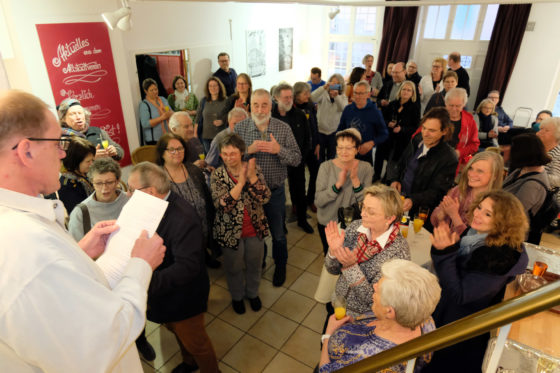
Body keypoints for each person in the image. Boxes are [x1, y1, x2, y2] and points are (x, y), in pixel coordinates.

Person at [0, 90, 165, 372]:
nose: (63, 154)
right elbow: (106, 340)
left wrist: (77, 253)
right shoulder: (27, 248)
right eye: (57, 143)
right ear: (27, 151)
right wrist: (140, 265)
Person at [127, 162, 219, 373]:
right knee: (178, 333)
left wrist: (144, 279)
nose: (128, 194)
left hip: (184, 298)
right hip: (167, 295)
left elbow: (187, 268)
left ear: (149, 191)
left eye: (131, 189)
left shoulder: (183, 218)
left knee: (197, 343)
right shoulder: (153, 207)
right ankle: (189, 362)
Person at [426, 190, 529, 373]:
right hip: (449, 319)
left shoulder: (498, 258)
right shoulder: (478, 238)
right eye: (479, 207)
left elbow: (461, 295)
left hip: (457, 333)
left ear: (503, 223)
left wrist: (445, 253)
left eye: (487, 214)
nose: (477, 214)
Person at [319, 259, 441, 373]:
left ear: (390, 312)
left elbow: (325, 371)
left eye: (379, 289)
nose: (374, 286)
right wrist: (355, 324)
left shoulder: (370, 359)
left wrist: (328, 334)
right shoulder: (424, 318)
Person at [234, 89, 301, 286]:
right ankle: (259, 262)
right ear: (249, 106)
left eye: (264, 105)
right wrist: (248, 150)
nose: (260, 109)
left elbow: (297, 159)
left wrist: (278, 150)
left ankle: (280, 266)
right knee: (256, 234)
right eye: (256, 105)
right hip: (250, 194)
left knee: (278, 234)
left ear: (271, 106)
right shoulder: (240, 128)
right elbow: (230, 159)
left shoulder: (283, 128)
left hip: (275, 192)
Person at [323, 184, 411, 335]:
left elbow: (377, 302)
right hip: (338, 305)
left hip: (362, 321)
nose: (362, 214)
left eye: (371, 212)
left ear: (389, 218)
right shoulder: (355, 228)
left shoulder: (400, 253)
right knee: (325, 344)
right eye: (363, 207)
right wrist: (333, 251)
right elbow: (332, 269)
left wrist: (351, 268)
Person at [210, 133, 271, 314]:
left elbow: (265, 197)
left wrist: (252, 178)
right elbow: (223, 205)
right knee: (234, 268)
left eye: (233, 153)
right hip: (229, 232)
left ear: (242, 152)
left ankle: (252, 293)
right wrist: (241, 183)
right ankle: (237, 296)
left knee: (254, 265)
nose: (229, 158)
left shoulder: (254, 169)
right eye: (225, 154)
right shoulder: (218, 175)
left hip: (254, 229)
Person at [155, 133, 220, 268]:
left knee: (201, 246)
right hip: (180, 231)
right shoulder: (157, 178)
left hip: (202, 223)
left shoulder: (193, 169)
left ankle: (205, 255)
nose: (177, 152)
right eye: (172, 149)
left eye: (180, 148)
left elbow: (206, 196)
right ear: (162, 153)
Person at [387, 107, 458, 221]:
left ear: (444, 131)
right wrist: (395, 179)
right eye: (424, 128)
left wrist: (413, 200)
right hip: (399, 199)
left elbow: (437, 192)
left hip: (419, 212)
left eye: (432, 130)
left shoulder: (449, 158)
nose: (425, 133)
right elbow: (400, 163)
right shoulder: (417, 139)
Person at [315, 129, 373, 254]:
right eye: (340, 147)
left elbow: (366, 205)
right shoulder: (325, 167)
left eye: (348, 148)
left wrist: (355, 180)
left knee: (351, 257)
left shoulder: (366, 168)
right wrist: (338, 185)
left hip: (354, 226)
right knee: (330, 257)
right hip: (328, 224)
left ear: (357, 149)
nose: (343, 152)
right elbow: (318, 201)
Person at [272, 83, 314, 233]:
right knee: (279, 196)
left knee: (299, 192)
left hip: (296, 161)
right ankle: (281, 224)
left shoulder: (299, 114)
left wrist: (300, 158)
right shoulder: (270, 116)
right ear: (276, 98)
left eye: (291, 97)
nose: (289, 100)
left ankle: (302, 220)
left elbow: (307, 138)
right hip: (276, 163)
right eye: (286, 97)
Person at [431, 151, 504, 235]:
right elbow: (434, 221)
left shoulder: (495, 204)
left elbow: (472, 239)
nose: (471, 174)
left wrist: (454, 215)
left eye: (480, 171)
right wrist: (442, 214)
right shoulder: (458, 190)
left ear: (494, 176)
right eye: (471, 168)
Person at [503, 133, 552, 244]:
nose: (509, 150)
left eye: (513, 147)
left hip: (509, 235)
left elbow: (513, 214)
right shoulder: (523, 168)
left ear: (523, 153)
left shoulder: (533, 185)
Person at [68, 158, 128, 241]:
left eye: (109, 182)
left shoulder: (131, 201)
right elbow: (76, 249)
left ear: (118, 181)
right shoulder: (80, 213)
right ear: (92, 182)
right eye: (99, 183)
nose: (104, 189)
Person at [377, 80, 420, 182]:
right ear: (400, 91)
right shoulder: (393, 104)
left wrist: (402, 129)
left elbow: (415, 127)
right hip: (388, 137)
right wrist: (388, 123)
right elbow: (382, 118)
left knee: (394, 161)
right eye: (404, 89)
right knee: (382, 156)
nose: (405, 92)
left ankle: (388, 179)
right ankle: (379, 175)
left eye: (409, 90)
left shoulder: (414, 108)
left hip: (402, 140)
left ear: (412, 93)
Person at [337, 81, 388, 165]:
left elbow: (384, 134)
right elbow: (340, 130)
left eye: (361, 93)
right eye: (355, 93)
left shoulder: (375, 112)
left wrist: (371, 143)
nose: (357, 96)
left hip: (364, 155)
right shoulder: (348, 109)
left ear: (368, 94)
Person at [58, 98, 124, 160]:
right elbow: (65, 167)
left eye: (80, 113)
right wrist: (91, 158)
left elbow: (120, 153)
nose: (78, 117)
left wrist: (115, 151)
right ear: (63, 119)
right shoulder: (62, 139)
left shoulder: (97, 131)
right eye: (72, 114)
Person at [294, 81, 321, 212]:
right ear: (297, 94)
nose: (308, 95)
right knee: (298, 178)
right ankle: (297, 202)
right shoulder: (292, 108)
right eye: (305, 93)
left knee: (315, 173)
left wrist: (317, 144)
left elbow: (315, 125)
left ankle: (310, 200)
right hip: (298, 150)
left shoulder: (310, 105)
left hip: (311, 147)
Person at [311, 73, 347, 161]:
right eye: (332, 83)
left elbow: (343, 108)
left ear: (340, 85)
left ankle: (330, 172)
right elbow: (312, 98)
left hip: (333, 132)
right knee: (320, 157)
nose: (334, 85)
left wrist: (336, 96)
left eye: (337, 84)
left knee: (331, 156)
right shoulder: (323, 93)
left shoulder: (342, 97)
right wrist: (324, 87)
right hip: (320, 131)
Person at [444, 88, 479, 173]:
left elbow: (474, 145)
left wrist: (459, 152)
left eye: (458, 106)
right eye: (451, 105)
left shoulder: (470, 121)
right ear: (445, 103)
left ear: (463, 104)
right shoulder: (437, 116)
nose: (454, 109)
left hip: (454, 162)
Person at [58, 137, 95, 214]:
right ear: (75, 162)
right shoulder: (67, 185)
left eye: (92, 160)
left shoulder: (86, 174)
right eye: (88, 161)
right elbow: (79, 214)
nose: (91, 164)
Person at [196, 77, 228, 152]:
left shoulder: (226, 100)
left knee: (221, 159)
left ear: (219, 87)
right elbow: (198, 118)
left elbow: (230, 116)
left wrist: (222, 121)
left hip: (221, 137)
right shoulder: (203, 101)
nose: (212, 88)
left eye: (215, 85)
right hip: (206, 137)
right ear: (207, 88)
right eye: (210, 86)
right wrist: (195, 133)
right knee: (209, 160)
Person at [139, 78, 173, 145]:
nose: (155, 92)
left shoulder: (163, 99)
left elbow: (171, 111)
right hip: (154, 141)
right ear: (146, 91)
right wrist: (162, 118)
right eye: (151, 90)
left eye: (156, 89)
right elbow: (145, 124)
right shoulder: (144, 105)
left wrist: (170, 113)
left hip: (167, 137)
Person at [536, 117, 560, 201]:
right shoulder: (536, 149)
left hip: (549, 201)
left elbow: (558, 180)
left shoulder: (558, 154)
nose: (539, 133)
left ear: (557, 134)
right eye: (541, 129)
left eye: (546, 130)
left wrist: (534, 173)